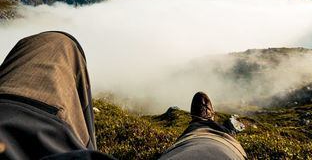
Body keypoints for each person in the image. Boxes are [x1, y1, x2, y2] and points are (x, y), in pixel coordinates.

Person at [0, 31, 247, 160]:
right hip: (32, 141)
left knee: (52, 42)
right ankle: (204, 127)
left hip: (11, 131)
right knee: (57, 43)